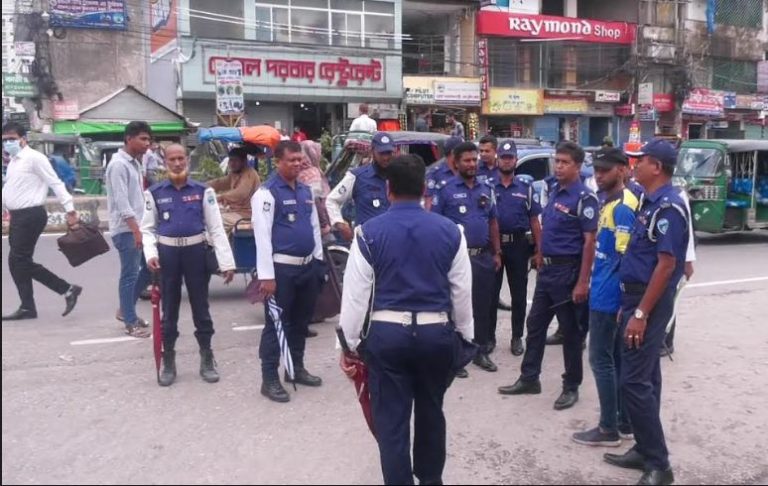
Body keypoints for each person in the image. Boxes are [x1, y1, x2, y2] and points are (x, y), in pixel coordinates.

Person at [338, 154, 473, 486]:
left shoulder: (367, 233)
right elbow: (462, 293)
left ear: (388, 189)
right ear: (425, 189)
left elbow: (355, 298)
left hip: (387, 338)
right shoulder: (451, 232)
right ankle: (430, 480)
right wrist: (467, 338)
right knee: (431, 413)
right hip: (435, 336)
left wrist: (348, 344)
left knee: (392, 423)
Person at [602, 139, 688, 486]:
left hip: (647, 302)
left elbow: (666, 266)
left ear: (657, 167)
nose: (633, 165)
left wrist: (640, 313)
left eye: (640, 161)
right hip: (634, 299)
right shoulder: (649, 203)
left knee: (634, 381)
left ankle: (659, 465)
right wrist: (630, 306)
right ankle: (644, 447)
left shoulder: (668, 207)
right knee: (647, 377)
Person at [498, 141, 598, 411]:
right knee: (535, 325)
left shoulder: (584, 198)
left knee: (570, 333)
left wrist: (582, 281)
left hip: (569, 272)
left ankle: (571, 385)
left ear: (578, 166)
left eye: (565, 162)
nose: (559, 166)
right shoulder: (554, 190)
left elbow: (589, 242)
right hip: (547, 270)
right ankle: (530, 378)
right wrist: (540, 253)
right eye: (558, 161)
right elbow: (547, 226)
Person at [142, 144, 235, 387]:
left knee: (201, 308)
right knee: (169, 311)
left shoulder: (204, 191)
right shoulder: (154, 193)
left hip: (196, 253)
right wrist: (151, 253)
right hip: (168, 255)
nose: (177, 163)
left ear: (187, 161)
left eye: (181, 158)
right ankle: (169, 360)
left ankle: (206, 357)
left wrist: (226, 262)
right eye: (172, 159)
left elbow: (216, 227)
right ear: (165, 162)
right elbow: (148, 229)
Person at [571, 147, 638, 447]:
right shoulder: (608, 201)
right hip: (603, 292)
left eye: (606, 170)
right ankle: (623, 421)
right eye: (596, 169)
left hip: (609, 297)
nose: (598, 175)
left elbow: (627, 259)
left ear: (623, 170)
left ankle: (608, 428)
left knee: (600, 360)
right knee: (614, 360)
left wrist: (625, 303)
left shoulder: (624, 205)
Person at [251, 140, 325, 403]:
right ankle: (269, 378)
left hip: (307, 267)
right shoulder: (266, 194)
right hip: (281, 271)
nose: (297, 163)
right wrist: (266, 276)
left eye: (299, 159)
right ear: (278, 161)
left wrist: (318, 261)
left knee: (300, 322)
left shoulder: (305, 191)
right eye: (291, 160)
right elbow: (262, 237)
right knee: (276, 325)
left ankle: (295, 369)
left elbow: (314, 226)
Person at [432, 142, 502, 376]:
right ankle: (455, 355)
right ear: (456, 162)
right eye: (467, 160)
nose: (472, 164)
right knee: (454, 307)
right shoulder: (445, 189)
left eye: (475, 160)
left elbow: (492, 222)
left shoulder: (486, 187)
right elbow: (436, 225)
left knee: (482, 306)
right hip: (455, 259)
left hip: (482, 257)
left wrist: (497, 252)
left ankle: (479, 350)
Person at [1, 122, 82, 321]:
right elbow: (11, 189)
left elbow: (55, 182)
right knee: (16, 262)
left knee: (19, 260)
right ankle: (28, 306)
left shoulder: (35, 158)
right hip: (18, 216)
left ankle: (66, 289)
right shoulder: (14, 161)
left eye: (12, 139)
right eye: (4, 140)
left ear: (23, 139)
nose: (8, 143)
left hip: (31, 215)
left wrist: (70, 209)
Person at [489, 141, 543, 357]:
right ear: (498, 159)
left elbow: (535, 221)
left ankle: (516, 337)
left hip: (519, 246)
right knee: (491, 295)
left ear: (515, 160)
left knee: (519, 295)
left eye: (510, 157)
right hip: (493, 246)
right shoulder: (488, 186)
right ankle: (489, 337)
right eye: (503, 157)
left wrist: (540, 250)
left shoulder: (525, 188)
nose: (507, 160)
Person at [105, 121, 154, 337]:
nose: (147, 144)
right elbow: (122, 202)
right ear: (128, 139)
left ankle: (126, 310)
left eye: (148, 139)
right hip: (126, 230)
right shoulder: (118, 165)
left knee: (150, 269)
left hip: (139, 227)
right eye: (143, 139)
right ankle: (130, 322)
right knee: (130, 275)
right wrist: (136, 231)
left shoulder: (134, 163)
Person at [326, 132, 394, 240]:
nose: (386, 157)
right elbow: (331, 200)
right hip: (366, 245)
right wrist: (340, 224)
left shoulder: (399, 176)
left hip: (392, 242)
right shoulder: (357, 176)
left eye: (388, 153)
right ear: (372, 151)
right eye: (381, 153)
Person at [208, 147, 261, 233]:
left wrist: (221, 197)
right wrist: (202, 187)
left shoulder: (249, 174)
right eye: (230, 160)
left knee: (216, 220)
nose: (231, 163)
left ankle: (215, 245)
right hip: (235, 211)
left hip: (247, 214)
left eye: (235, 160)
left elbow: (241, 193)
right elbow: (220, 183)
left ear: (244, 161)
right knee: (209, 214)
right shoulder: (234, 174)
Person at [298, 140, 332, 237]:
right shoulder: (312, 173)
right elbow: (316, 199)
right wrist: (324, 224)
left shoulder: (303, 172)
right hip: (318, 222)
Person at [424, 136, 462, 211]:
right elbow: (428, 202)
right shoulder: (434, 173)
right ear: (453, 152)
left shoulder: (465, 171)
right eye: (462, 151)